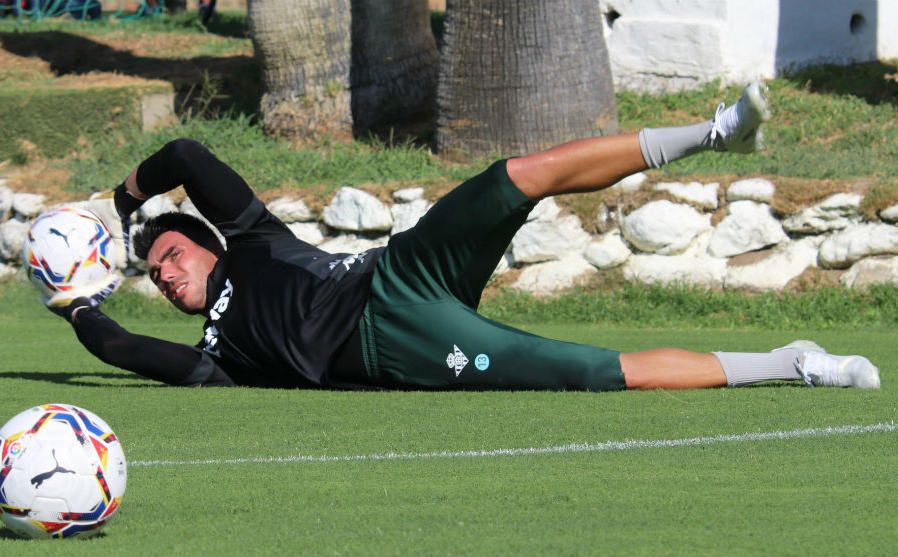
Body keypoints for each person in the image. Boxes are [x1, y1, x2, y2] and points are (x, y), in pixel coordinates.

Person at [53, 82, 881, 391]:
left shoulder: (253, 237)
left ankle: (715, 130)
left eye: (169, 255)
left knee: (515, 173)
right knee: (588, 370)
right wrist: (74, 307)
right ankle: (794, 362)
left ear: (205, 240)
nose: (162, 274)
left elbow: (187, 154)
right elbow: (128, 351)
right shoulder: (218, 353)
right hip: (399, 344)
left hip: (397, 270)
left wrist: (120, 202)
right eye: (154, 274)